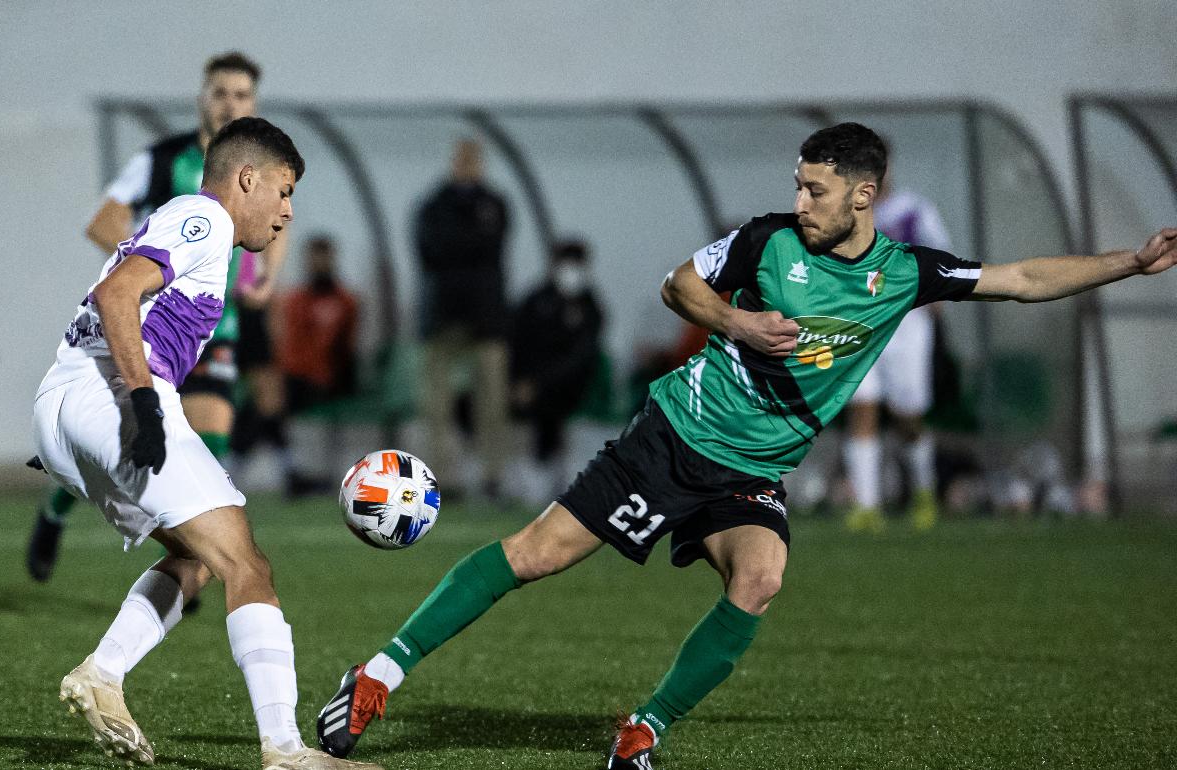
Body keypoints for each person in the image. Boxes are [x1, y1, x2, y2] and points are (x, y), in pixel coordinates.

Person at [312, 122, 1177, 769]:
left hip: (752, 472)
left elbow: (1021, 279)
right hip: (673, 439)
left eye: (816, 190)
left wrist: (1132, 263)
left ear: (864, 196)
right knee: (536, 556)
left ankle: (642, 732)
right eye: (798, 185)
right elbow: (677, 285)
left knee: (760, 578)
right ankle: (379, 674)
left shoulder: (904, 274)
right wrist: (737, 323)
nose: (800, 202)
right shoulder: (766, 241)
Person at [31, 118, 375, 770]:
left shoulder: (199, 231)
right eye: (284, 191)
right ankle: (286, 750)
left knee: (199, 559)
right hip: (108, 395)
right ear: (246, 178)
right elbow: (116, 294)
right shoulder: (206, 218)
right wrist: (140, 402)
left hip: (68, 408)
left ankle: (102, 673)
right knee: (248, 564)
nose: (287, 212)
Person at [26, 52, 288, 581]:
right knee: (127, 435)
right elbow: (103, 222)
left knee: (209, 437)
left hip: (214, 328)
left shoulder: (259, 169)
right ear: (201, 99)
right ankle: (57, 509)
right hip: (149, 328)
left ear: (254, 102)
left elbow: (278, 219)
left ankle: (188, 564)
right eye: (220, 93)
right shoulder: (163, 161)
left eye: (241, 95)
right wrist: (152, 262)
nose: (230, 104)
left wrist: (267, 276)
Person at [842, 169, 954, 533]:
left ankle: (924, 489)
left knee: (907, 418)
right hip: (861, 322)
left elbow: (939, 256)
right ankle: (866, 506)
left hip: (907, 325)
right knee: (862, 407)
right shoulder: (846, 213)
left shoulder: (914, 210)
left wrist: (936, 301)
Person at [414, 138, 510, 497]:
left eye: (473, 159)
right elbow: (431, 251)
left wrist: (457, 247)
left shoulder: (494, 203)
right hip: (443, 317)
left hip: (487, 319)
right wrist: (467, 246)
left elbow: (489, 248)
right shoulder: (434, 204)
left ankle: (492, 476)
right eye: (462, 159)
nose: (466, 165)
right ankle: (443, 477)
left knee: (492, 402)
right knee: (437, 404)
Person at [232, 235, 361, 495]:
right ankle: (289, 474)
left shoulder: (345, 301)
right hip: (292, 376)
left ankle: (232, 470)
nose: (318, 264)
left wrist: (343, 382)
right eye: (314, 259)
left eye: (323, 258)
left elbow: (347, 348)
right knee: (263, 407)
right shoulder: (295, 299)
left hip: (322, 381)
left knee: (265, 405)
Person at [508, 239, 605, 495]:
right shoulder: (535, 301)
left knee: (553, 410)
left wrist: (541, 383)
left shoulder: (590, 307)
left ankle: (555, 476)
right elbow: (517, 345)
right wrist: (520, 381)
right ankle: (532, 476)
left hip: (570, 389)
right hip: (532, 386)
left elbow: (583, 356)